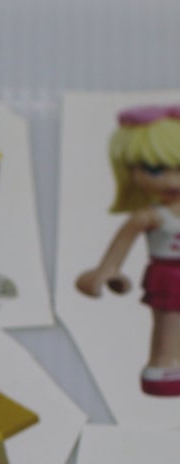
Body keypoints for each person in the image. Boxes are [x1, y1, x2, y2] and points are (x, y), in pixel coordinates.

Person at [74, 105, 180, 397]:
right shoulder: (149, 216)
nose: (173, 181)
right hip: (168, 275)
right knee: (169, 322)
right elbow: (120, 246)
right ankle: (164, 364)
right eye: (155, 169)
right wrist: (107, 271)